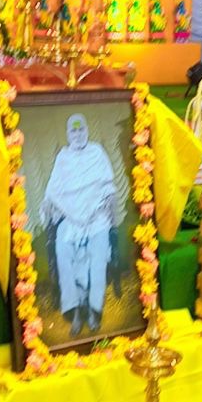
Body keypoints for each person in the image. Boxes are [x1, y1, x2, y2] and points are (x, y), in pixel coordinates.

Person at [40, 113, 117, 336]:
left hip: (97, 217)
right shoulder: (63, 158)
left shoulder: (97, 153)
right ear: (67, 134)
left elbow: (109, 188)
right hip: (71, 219)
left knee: (98, 256)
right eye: (73, 131)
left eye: (81, 129)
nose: (77, 134)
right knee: (62, 249)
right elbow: (52, 193)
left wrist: (103, 212)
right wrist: (55, 210)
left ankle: (94, 310)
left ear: (87, 130)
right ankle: (74, 312)